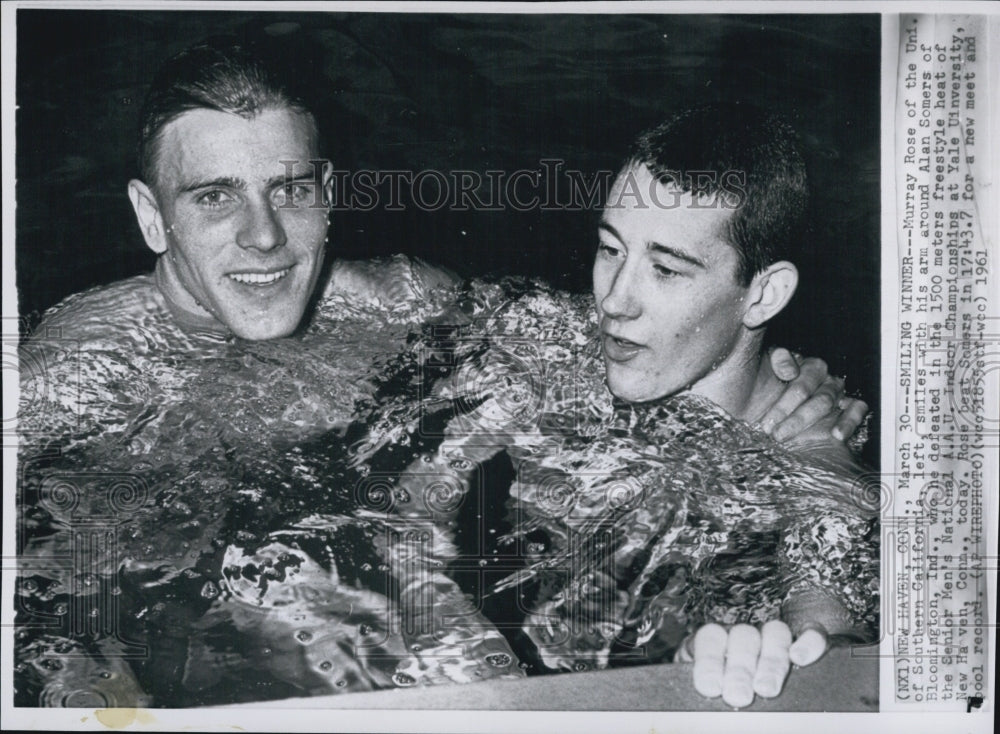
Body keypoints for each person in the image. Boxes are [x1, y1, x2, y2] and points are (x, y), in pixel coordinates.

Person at [18, 37, 862, 449]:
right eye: (214, 197)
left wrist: (786, 396)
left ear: (332, 196)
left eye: (291, 189)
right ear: (149, 215)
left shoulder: (405, 301)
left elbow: (611, 337)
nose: (265, 237)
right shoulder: (76, 367)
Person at [366, 103, 876, 708]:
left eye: (664, 269)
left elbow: (833, 641)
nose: (613, 301)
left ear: (763, 294)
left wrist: (761, 656)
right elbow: (409, 502)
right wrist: (462, 642)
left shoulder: (809, 459)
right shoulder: (554, 343)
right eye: (610, 249)